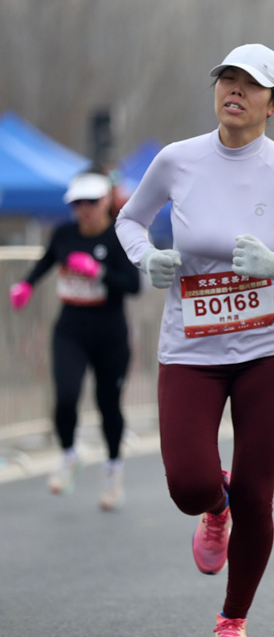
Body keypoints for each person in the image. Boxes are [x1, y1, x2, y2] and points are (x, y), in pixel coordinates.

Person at [115, 44, 274, 637]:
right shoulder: (177, 160)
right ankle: (215, 510)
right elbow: (128, 220)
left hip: (268, 352)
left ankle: (231, 620)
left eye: (251, 84)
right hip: (191, 349)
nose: (234, 91)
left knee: (257, 495)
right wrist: (149, 259)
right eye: (227, 80)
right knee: (190, 485)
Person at [9, 171, 140, 509]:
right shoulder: (64, 234)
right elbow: (46, 261)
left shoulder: (118, 238)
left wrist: (99, 273)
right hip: (71, 328)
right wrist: (26, 285)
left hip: (110, 332)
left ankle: (113, 470)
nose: (84, 210)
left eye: (91, 203)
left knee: (108, 404)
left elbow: (133, 286)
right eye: (77, 203)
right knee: (66, 396)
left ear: (106, 202)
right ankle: (69, 455)